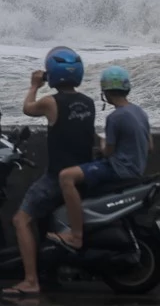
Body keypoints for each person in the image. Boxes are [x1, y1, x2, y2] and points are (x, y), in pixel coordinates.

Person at [3, 46, 96, 297]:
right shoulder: (88, 102)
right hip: (84, 173)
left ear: (52, 74)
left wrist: (34, 84)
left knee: (20, 220)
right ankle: (50, 272)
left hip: (58, 177)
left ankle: (31, 280)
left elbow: (27, 108)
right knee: (45, 220)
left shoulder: (50, 102)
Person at [47, 65, 153, 251]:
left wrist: (103, 144)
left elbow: (108, 153)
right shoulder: (140, 112)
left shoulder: (115, 117)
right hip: (137, 168)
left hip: (119, 169)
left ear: (106, 92)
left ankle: (75, 236)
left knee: (66, 177)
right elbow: (150, 146)